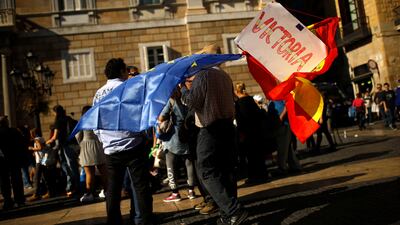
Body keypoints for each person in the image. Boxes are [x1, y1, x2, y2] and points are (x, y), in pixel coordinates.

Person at [180, 44, 248, 225]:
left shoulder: (203, 75)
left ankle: (234, 210)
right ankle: (229, 214)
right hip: (227, 127)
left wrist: (184, 89)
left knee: (207, 171)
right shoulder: (224, 75)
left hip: (210, 129)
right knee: (226, 171)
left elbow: (193, 102)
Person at [93, 58, 153, 225]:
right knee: (140, 186)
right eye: (126, 70)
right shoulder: (130, 88)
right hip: (132, 143)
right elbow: (141, 115)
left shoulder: (99, 93)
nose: (128, 73)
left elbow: (95, 121)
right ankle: (145, 220)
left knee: (113, 188)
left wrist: (104, 139)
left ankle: (113, 221)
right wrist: (144, 135)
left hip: (110, 148)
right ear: (121, 71)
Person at [158, 89, 197, 202]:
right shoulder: (185, 102)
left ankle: (175, 192)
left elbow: (161, 118)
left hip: (172, 139)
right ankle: (191, 190)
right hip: (185, 136)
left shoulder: (170, 101)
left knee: (171, 166)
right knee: (189, 164)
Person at [234, 82, 268, 184]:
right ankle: (263, 175)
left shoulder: (239, 104)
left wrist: (240, 134)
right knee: (259, 156)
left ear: (236, 92)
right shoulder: (251, 100)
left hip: (247, 134)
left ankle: (254, 177)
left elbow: (240, 121)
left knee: (251, 157)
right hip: (257, 132)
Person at [75, 105, 107, 203]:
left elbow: (78, 136)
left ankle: (90, 193)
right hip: (98, 145)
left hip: (86, 147)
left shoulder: (82, 122)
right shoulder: (98, 120)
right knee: (103, 171)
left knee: (89, 173)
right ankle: (107, 190)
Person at [46, 105, 80, 198]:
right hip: (72, 144)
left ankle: (73, 188)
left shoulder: (58, 121)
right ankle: (74, 186)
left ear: (55, 112)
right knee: (73, 166)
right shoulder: (68, 118)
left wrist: (46, 142)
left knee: (68, 167)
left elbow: (55, 137)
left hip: (65, 146)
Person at [0, 115, 26, 209]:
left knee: (5, 182)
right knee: (17, 180)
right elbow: (23, 143)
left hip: (3, 161)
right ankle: (20, 200)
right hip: (15, 159)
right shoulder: (14, 131)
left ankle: (8, 201)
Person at [27, 137, 57, 201]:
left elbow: (40, 148)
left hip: (40, 161)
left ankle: (36, 194)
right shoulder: (40, 139)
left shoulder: (36, 139)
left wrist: (32, 148)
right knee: (45, 176)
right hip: (43, 159)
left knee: (36, 178)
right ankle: (50, 192)